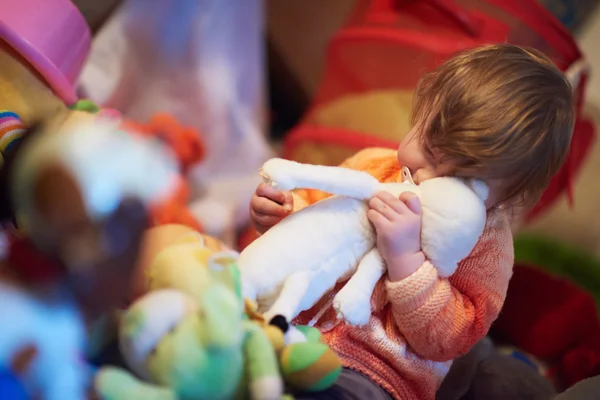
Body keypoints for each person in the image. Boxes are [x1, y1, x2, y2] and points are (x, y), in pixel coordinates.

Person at [249, 44, 575, 400]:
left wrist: (407, 263)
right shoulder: (374, 165)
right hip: (284, 317)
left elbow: (449, 339)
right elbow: (318, 218)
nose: (429, 177)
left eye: (464, 181)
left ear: (509, 194)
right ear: (422, 112)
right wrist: (283, 213)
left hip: (372, 371)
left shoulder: (489, 247)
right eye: (431, 152)